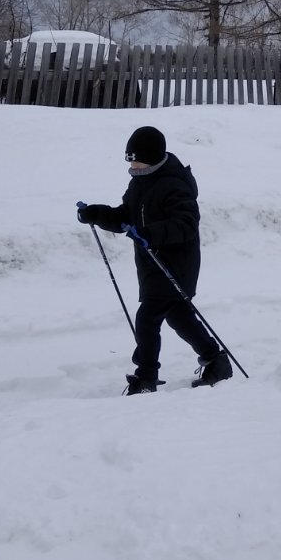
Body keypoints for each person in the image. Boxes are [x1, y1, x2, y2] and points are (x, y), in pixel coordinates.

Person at [76, 125, 233, 394]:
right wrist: (97, 214)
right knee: (179, 317)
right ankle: (216, 361)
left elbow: (186, 223)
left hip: (176, 264)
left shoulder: (174, 184)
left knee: (148, 317)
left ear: (151, 157)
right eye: (129, 159)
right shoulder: (140, 181)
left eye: (136, 159)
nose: (132, 165)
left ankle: (146, 377)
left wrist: (151, 234)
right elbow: (125, 217)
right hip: (152, 263)